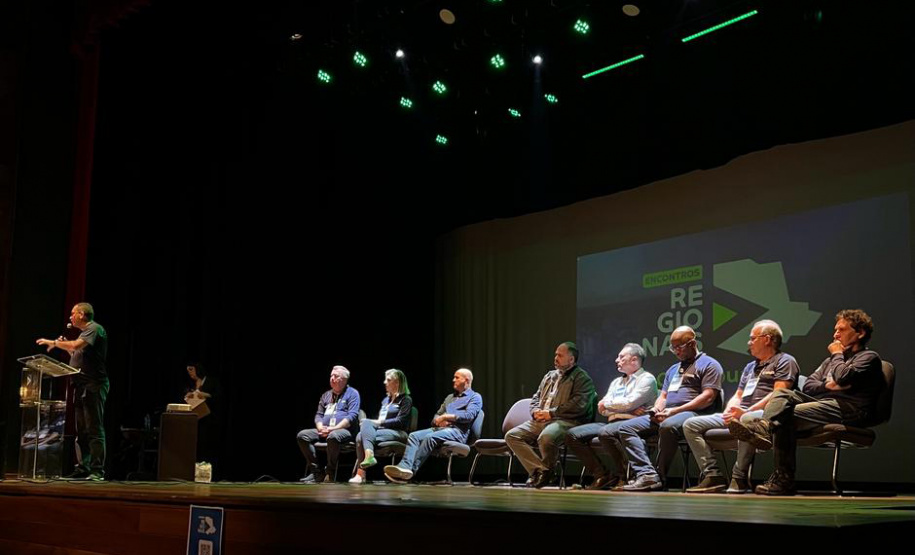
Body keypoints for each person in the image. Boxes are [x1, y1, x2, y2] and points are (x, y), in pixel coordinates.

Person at [729, 309, 883, 495]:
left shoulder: (868, 357)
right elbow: (808, 385)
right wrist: (830, 385)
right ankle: (766, 427)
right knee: (783, 394)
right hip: (824, 405)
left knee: (784, 416)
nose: (835, 335)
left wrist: (836, 356)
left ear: (860, 333)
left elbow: (842, 376)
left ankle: (783, 478)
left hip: (851, 410)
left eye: (841, 330)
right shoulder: (829, 362)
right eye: (835, 330)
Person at [682, 320, 798, 493]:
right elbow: (738, 395)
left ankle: (739, 477)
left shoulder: (785, 361)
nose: (748, 342)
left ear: (767, 339)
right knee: (690, 425)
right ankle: (712, 475)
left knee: (746, 419)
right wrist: (730, 409)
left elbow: (778, 394)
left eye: (752, 338)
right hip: (741, 412)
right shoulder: (750, 367)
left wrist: (746, 411)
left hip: (764, 415)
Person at [609, 326, 723, 491]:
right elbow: (663, 397)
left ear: (692, 343)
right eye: (673, 347)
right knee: (626, 428)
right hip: (668, 414)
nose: (675, 351)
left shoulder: (710, 364)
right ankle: (647, 474)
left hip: (693, 414)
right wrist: (656, 410)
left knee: (667, 426)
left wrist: (674, 411)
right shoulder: (673, 370)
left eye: (679, 347)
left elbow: (708, 397)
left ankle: (660, 476)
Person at [565, 343, 657, 490]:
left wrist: (615, 407)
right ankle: (602, 474)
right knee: (572, 435)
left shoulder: (647, 379)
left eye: (621, 357)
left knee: (605, 432)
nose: (616, 360)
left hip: (635, 423)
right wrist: (623, 410)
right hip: (613, 421)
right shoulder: (617, 382)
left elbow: (628, 402)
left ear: (634, 360)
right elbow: (602, 408)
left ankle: (625, 476)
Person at [505, 342, 596, 488]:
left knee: (546, 437)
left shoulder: (581, 378)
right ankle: (541, 471)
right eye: (555, 354)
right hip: (541, 420)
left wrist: (551, 413)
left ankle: (543, 474)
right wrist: (535, 412)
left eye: (560, 355)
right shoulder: (549, 376)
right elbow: (536, 397)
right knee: (512, 436)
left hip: (566, 421)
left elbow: (579, 405)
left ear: (571, 360)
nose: (555, 358)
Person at [37, 302, 109, 481]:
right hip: (80, 385)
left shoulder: (94, 329)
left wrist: (54, 343)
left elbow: (76, 346)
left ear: (82, 314)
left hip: (94, 385)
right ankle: (83, 467)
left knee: (94, 429)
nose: (70, 317)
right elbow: (76, 354)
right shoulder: (84, 334)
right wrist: (64, 346)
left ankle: (97, 471)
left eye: (73, 313)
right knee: (82, 430)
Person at [383, 368, 482, 483]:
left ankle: (410, 471)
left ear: (466, 380)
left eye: (457, 377)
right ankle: (405, 466)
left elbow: (468, 415)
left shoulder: (475, 397)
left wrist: (447, 417)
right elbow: (437, 415)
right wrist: (437, 421)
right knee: (414, 436)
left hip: (458, 432)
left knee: (430, 438)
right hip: (440, 429)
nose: (453, 380)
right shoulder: (450, 398)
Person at [295, 366, 360, 482]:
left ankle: (330, 472)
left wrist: (332, 429)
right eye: (331, 375)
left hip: (345, 431)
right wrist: (320, 427)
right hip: (325, 430)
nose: (332, 378)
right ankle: (316, 472)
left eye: (336, 376)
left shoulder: (353, 394)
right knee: (302, 435)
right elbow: (319, 415)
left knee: (333, 436)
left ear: (344, 379)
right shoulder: (326, 395)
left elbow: (352, 416)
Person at [349, 369, 413, 484]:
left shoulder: (406, 400)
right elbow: (379, 420)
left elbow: (401, 421)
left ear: (397, 383)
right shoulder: (385, 400)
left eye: (388, 380)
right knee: (360, 435)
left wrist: (379, 422)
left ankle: (361, 472)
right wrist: (375, 423)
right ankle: (366, 463)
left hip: (399, 433)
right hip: (383, 431)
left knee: (364, 432)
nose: (384, 382)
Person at [184, 362, 223, 473]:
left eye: (191, 369)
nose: (190, 373)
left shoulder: (212, 381)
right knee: (197, 446)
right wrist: (188, 396)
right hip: (196, 420)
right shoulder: (191, 383)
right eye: (188, 371)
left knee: (208, 447)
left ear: (198, 369)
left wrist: (207, 395)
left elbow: (220, 397)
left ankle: (208, 472)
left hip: (210, 420)